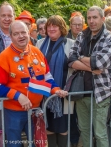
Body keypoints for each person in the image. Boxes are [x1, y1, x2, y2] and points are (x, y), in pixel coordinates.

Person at [0, 21, 68, 147]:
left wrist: (56, 90)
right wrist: (18, 96)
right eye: (16, 34)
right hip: (14, 112)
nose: (21, 36)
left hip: (35, 111)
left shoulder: (37, 52)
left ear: (28, 33)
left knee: (36, 144)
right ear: (11, 36)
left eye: (23, 32)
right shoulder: (4, 57)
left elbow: (47, 77)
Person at [68, 6, 111, 147]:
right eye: (89, 18)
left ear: (102, 19)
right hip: (81, 92)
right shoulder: (81, 35)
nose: (92, 21)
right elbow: (71, 60)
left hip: (101, 93)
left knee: (99, 132)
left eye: (95, 17)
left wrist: (81, 57)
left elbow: (100, 63)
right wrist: (91, 67)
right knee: (84, 130)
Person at [36, 15, 75, 147]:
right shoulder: (40, 43)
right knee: (48, 124)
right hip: (44, 92)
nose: (51, 28)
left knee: (63, 126)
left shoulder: (70, 44)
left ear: (62, 28)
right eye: (49, 26)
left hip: (63, 92)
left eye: (55, 26)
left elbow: (74, 66)